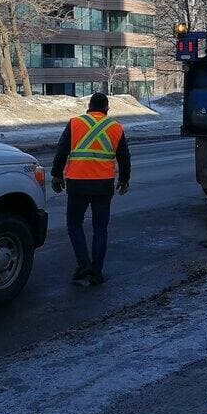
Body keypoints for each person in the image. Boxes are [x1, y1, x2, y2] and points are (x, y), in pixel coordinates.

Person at [50, 92, 130, 286]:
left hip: (77, 183)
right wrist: (124, 179)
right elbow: (124, 156)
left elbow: (62, 149)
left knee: (74, 224)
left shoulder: (75, 123)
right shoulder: (115, 127)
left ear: (89, 106)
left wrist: (57, 174)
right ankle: (96, 272)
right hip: (103, 184)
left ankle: (83, 263)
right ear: (106, 109)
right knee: (100, 229)